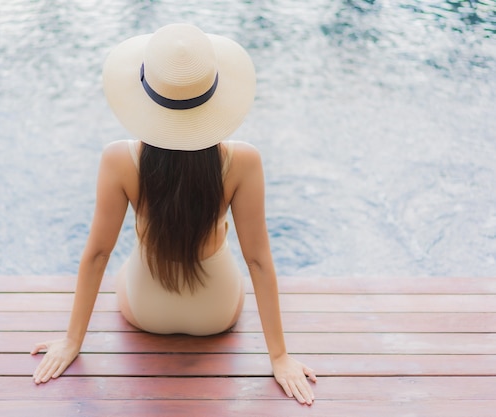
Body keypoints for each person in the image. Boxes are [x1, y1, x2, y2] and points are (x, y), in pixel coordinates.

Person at [31, 23, 317, 405]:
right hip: (216, 314)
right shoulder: (243, 161)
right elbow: (258, 260)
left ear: (146, 95)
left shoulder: (119, 159)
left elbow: (97, 253)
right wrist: (279, 358)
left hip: (145, 310)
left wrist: (72, 342)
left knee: (122, 267)